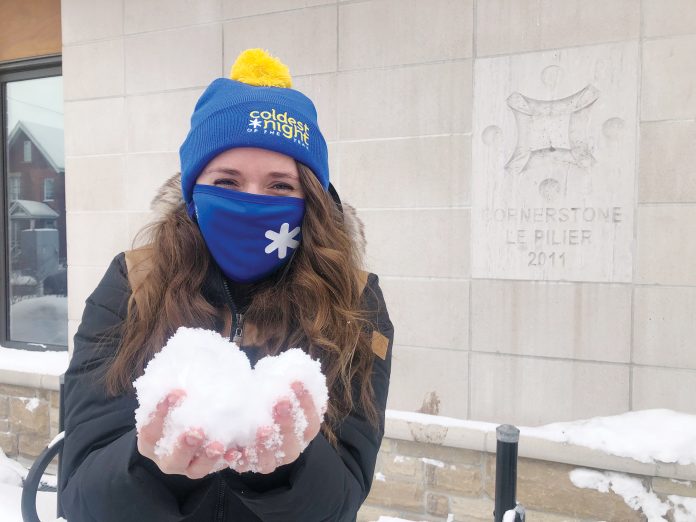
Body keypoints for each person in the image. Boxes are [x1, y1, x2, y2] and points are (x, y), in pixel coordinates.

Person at [60, 49, 393, 522]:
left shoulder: (353, 303)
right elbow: (79, 495)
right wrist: (151, 465)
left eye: (280, 185)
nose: (251, 202)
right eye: (227, 181)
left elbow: (343, 498)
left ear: (312, 201)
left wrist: (288, 468)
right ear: (194, 195)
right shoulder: (134, 285)